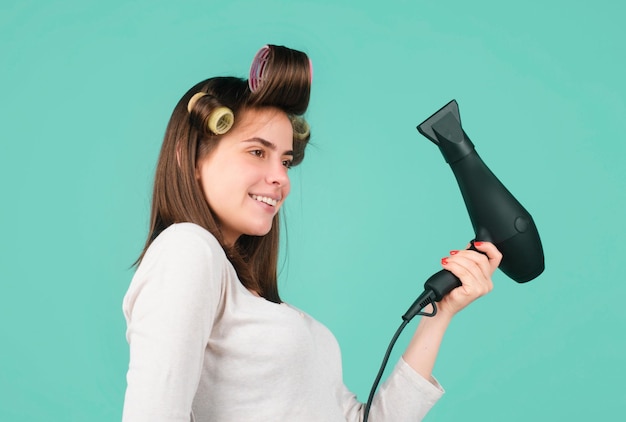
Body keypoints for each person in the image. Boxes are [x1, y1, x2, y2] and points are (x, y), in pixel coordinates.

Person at [122, 44, 502, 422]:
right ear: (190, 160)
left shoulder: (246, 295)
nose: (280, 177)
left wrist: (440, 314)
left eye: (285, 160)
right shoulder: (186, 250)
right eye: (257, 152)